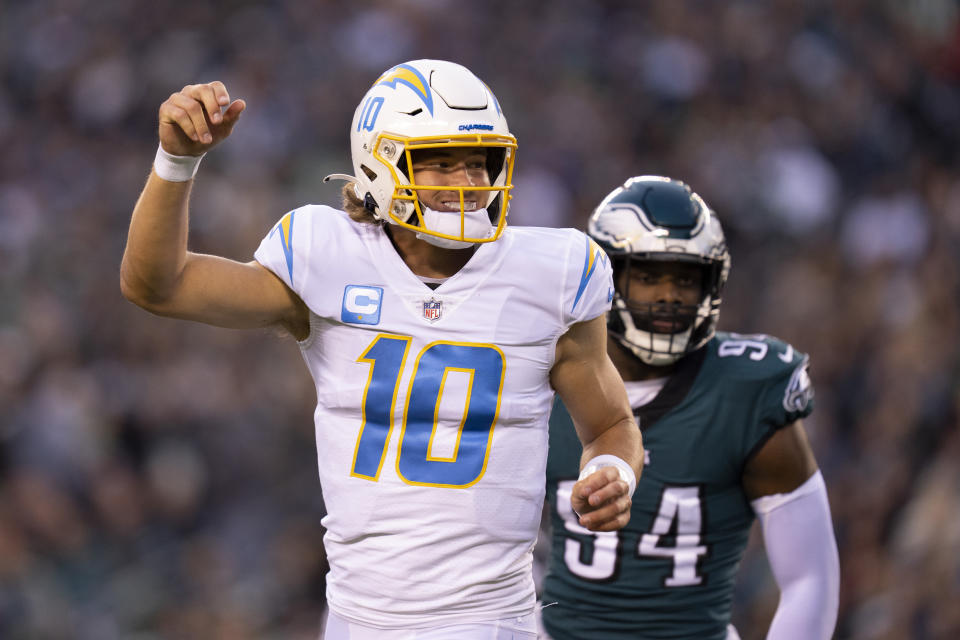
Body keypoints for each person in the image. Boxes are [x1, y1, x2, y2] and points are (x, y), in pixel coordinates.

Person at [119, 59, 643, 638]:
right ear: (382, 164)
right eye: (439, 165)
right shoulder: (325, 253)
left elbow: (611, 422)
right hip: (354, 618)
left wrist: (614, 470)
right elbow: (156, 286)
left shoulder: (555, 273)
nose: (467, 183)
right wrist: (177, 159)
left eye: (478, 162)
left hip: (491, 619)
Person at [540, 176, 840, 640]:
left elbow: (809, 579)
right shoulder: (543, 377)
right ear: (608, 277)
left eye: (685, 277)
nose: (669, 294)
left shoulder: (745, 393)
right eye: (648, 275)